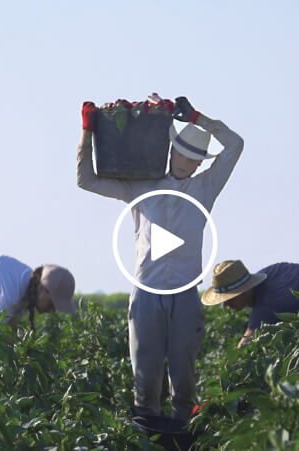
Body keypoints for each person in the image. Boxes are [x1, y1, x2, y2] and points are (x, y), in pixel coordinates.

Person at [77, 96, 244, 420]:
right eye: (182, 152)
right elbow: (86, 180)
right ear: (170, 150)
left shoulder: (205, 187)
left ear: (200, 164)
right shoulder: (140, 185)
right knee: (145, 374)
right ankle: (146, 431)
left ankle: (183, 434)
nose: (186, 160)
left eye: (194, 158)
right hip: (146, 292)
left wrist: (198, 118)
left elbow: (235, 145)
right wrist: (87, 132)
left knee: (184, 374)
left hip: (184, 293)